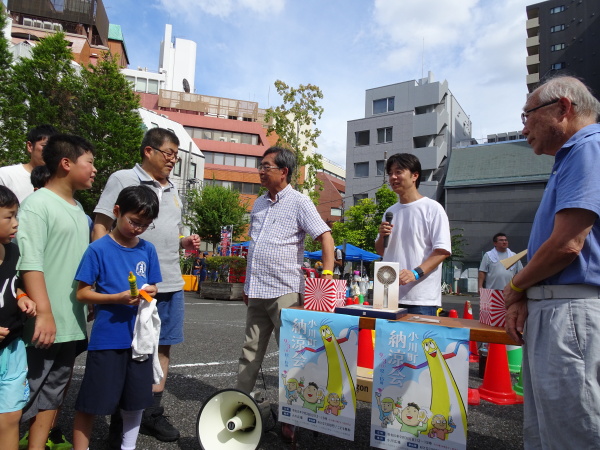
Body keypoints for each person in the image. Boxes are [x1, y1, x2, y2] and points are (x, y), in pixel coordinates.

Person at [503, 76, 600, 449]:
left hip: (571, 310)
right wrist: (527, 294)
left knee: (572, 431)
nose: (523, 127)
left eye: (527, 115)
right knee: (547, 431)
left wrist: (516, 287)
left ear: (563, 108)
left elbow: (567, 244)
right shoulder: (571, 156)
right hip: (558, 307)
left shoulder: (587, 148)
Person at [93, 127, 200, 443]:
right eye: (169, 153)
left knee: (163, 346)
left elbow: (166, 232)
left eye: (176, 155)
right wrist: (103, 271)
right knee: (130, 347)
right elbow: (101, 224)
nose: (173, 159)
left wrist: (183, 242)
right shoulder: (123, 179)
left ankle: (152, 412)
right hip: (134, 284)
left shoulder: (173, 189)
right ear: (148, 151)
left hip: (171, 281)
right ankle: (120, 417)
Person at [235, 146, 334, 441]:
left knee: (292, 358)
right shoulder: (259, 203)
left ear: (284, 171)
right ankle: (237, 404)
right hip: (257, 291)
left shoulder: (300, 202)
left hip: (286, 293)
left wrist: (326, 277)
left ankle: (295, 416)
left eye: (266, 166)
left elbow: (325, 237)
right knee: (249, 352)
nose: (260, 171)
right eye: (260, 166)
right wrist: (247, 285)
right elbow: (254, 248)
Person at [17, 135, 96, 450]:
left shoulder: (78, 209)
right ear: (66, 163)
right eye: (89, 162)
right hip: (42, 323)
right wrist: (45, 313)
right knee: (21, 397)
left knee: (52, 394)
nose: (94, 170)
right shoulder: (37, 205)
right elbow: (30, 263)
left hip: (70, 323)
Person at [72, 185, 161, 450]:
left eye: (145, 225)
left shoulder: (147, 250)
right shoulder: (98, 249)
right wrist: (116, 298)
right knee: (92, 401)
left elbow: (154, 286)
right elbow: (82, 294)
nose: (138, 228)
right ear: (117, 211)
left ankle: (128, 447)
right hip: (107, 338)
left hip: (139, 340)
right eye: (134, 221)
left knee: (135, 401)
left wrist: (147, 293)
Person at [375, 153, 451, 316]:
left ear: (414, 175)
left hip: (420, 299)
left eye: (398, 172)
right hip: (388, 295)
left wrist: (414, 273)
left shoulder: (433, 208)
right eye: (390, 174)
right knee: (388, 341)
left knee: (418, 342)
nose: (393, 177)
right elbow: (381, 251)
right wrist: (382, 236)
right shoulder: (390, 211)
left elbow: (442, 251)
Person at [0, 186, 36, 450]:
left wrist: (21, 294)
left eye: (16, 215)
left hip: (13, 349)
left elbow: (11, 284)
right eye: (8, 216)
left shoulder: (12, 251)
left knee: (11, 417)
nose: (16, 223)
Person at [0, 125, 57, 203]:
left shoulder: (60, 179)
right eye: (45, 146)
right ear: (30, 146)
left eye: (54, 147)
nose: (50, 151)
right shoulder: (6, 175)